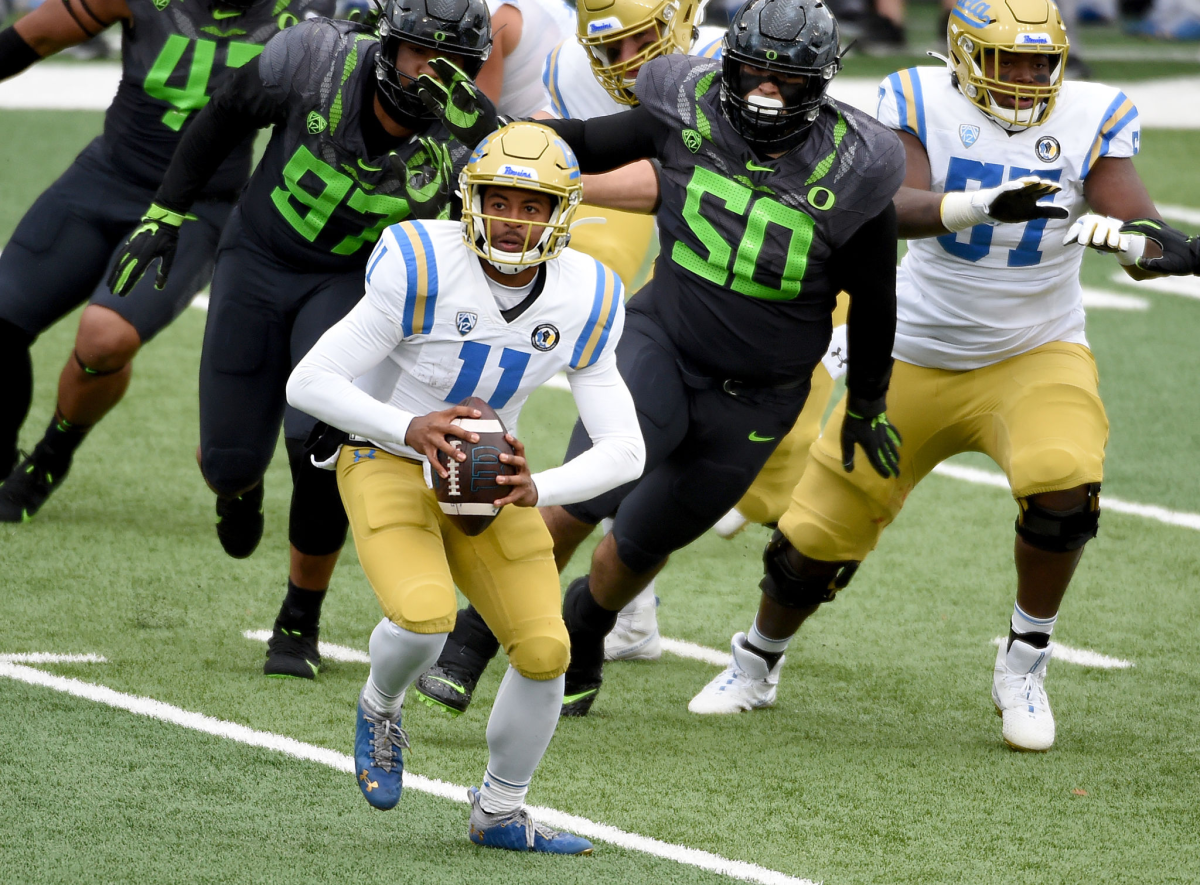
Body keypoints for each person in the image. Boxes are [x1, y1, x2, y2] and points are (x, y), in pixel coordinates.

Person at [690, 0, 1164, 749]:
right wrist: (979, 203)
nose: (1027, 77)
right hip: (913, 350)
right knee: (813, 539)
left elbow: (1138, 217)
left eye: (1040, 61)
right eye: (1008, 61)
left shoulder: (1094, 111)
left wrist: (1140, 245)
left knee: (1064, 478)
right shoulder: (916, 97)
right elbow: (894, 206)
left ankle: (1026, 661)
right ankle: (758, 658)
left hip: (1035, 350)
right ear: (966, 55)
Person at [421, 0, 909, 717]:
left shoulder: (857, 170)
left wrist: (866, 401)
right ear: (730, 64)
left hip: (760, 394)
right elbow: (580, 141)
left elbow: (876, 302)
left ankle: (586, 623)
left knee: (639, 545)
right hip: (664, 341)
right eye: (753, 72)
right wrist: (501, 136)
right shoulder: (688, 107)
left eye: (788, 80)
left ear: (821, 84)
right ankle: (472, 640)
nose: (766, 92)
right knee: (582, 497)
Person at [285, 121, 644, 852]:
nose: (514, 220)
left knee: (547, 650)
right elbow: (310, 380)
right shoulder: (421, 261)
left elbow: (625, 449)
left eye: (533, 205)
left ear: (562, 213)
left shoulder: (588, 294)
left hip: (487, 480)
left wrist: (536, 485)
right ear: (470, 199)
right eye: (500, 200)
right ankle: (381, 706)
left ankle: (500, 811)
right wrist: (409, 426)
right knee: (423, 618)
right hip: (385, 453)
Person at [108, 0, 489, 679]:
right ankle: (239, 488)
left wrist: (488, 133)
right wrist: (167, 211)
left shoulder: (467, 136)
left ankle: (298, 617)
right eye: (425, 57)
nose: (439, 76)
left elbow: (535, 176)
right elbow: (223, 113)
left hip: (350, 281)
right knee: (226, 458)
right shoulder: (315, 58)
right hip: (258, 260)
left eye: (458, 65)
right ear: (389, 47)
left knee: (318, 435)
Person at [0, 0, 331, 523]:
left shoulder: (314, 13)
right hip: (107, 178)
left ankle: (50, 457)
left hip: (201, 203)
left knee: (104, 337)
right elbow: (33, 37)